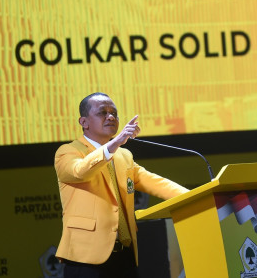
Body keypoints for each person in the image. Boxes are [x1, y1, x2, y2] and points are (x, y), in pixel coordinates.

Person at [55, 92, 188, 277]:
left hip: (124, 254)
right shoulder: (68, 152)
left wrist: (195, 195)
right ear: (83, 122)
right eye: (102, 112)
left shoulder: (123, 156)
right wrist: (115, 144)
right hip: (86, 257)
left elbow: (154, 182)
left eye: (114, 113)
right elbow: (80, 171)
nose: (111, 116)